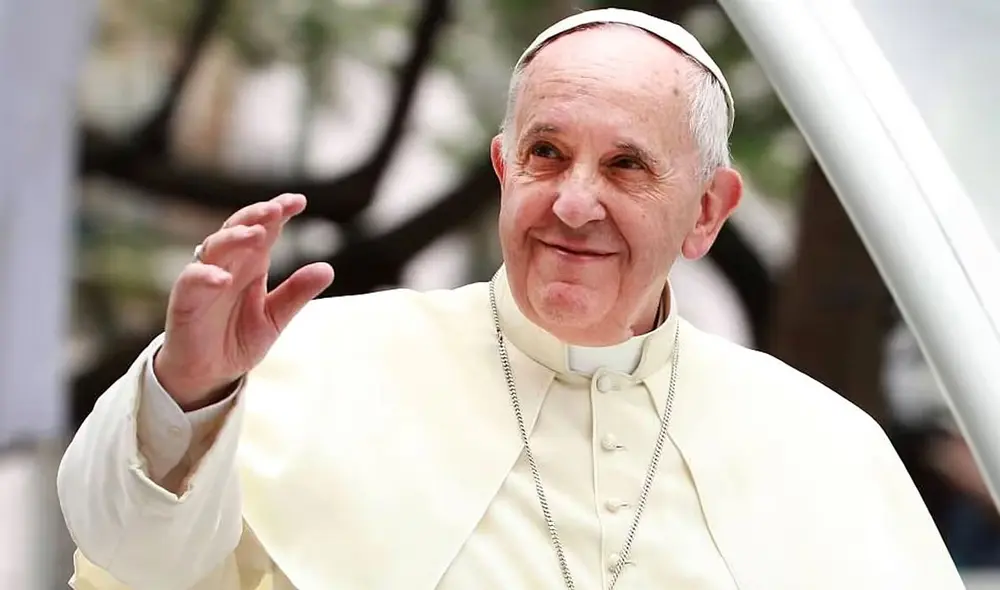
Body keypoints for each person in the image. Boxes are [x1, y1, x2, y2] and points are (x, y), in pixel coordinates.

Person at [58, 8, 965, 590]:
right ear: (502, 170)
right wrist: (188, 397)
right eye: (546, 153)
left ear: (707, 212)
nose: (574, 203)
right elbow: (138, 564)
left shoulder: (827, 445)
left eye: (625, 165)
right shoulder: (305, 365)